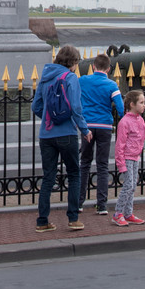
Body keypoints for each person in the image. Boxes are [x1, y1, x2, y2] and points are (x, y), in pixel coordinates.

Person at [31, 45, 90, 233]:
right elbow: (75, 107)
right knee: (74, 174)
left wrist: (49, 119)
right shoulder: (71, 77)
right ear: (72, 62)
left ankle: (42, 220)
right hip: (67, 133)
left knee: (48, 177)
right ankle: (73, 218)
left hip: (46, 135)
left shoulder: (46, 76)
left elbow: (36, 106)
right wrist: (84, 129)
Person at [79, 53, 124, 216]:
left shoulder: (83, 81)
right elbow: (120, 107)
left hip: (87, 126)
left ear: (93, 67)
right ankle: (102, 204)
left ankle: (79, 202)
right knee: (102, 165)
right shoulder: (112, 85)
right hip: (104, 125)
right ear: (109, 68)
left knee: (84, 162)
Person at [112, 89, 145, 227]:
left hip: (136, 156)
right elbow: (120, 144)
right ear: (132, 104)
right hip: (127, 157)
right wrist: (121, 163)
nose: (144, 105)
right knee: (128, 185)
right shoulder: (125, 122)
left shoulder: (140, 120)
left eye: (144, 103)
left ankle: (128, 213)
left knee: (133, 186)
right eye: (141, 103)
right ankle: (118, 213)